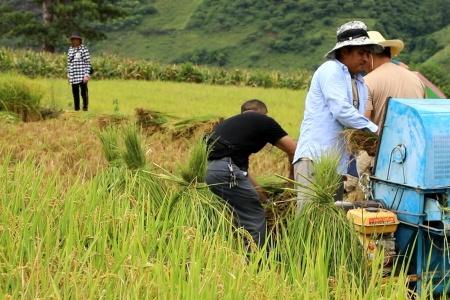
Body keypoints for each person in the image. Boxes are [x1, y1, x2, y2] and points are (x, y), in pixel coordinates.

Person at [293, 21, 381, 212]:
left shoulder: (360, 84)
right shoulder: (331, 70)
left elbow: (353, 125)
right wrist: (376, 131)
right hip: (315, 158)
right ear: (344, 52)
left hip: (336, 163)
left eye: (368, 53)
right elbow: (341, 110)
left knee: (329, 219)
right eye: (361, 53)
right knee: (309, 218)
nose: (366, 58)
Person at [205, 99, 296, 247]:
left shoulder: (229, 126)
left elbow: (243, 173)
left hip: (212, 172)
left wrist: (266, 199)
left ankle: (239, 253)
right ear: (263, 112)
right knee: (254, 216)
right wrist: (291, 182)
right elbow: (293, 149)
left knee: (241, 214)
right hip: (228, 172)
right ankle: (258, 260)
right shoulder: (263, 120)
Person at [364, 31, 425, 128]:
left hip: (385, 143)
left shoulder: (366, 82)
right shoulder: (416, 79)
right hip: (416, 142)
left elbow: (362, 126)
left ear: (369, 55)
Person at [67, 33, 91, 111]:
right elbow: (69, 63)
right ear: (71, 41)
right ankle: (76, 109)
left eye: (76, 39)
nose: (75, 41)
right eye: (73, 40)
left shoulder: (84, 49)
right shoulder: (70, 49)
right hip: (73, 75)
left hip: (82, 75)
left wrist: (86, 75)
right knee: (75, 93)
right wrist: (69, 74)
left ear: (79, 40)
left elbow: (88, 63)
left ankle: (85, 108)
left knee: (84, 93)